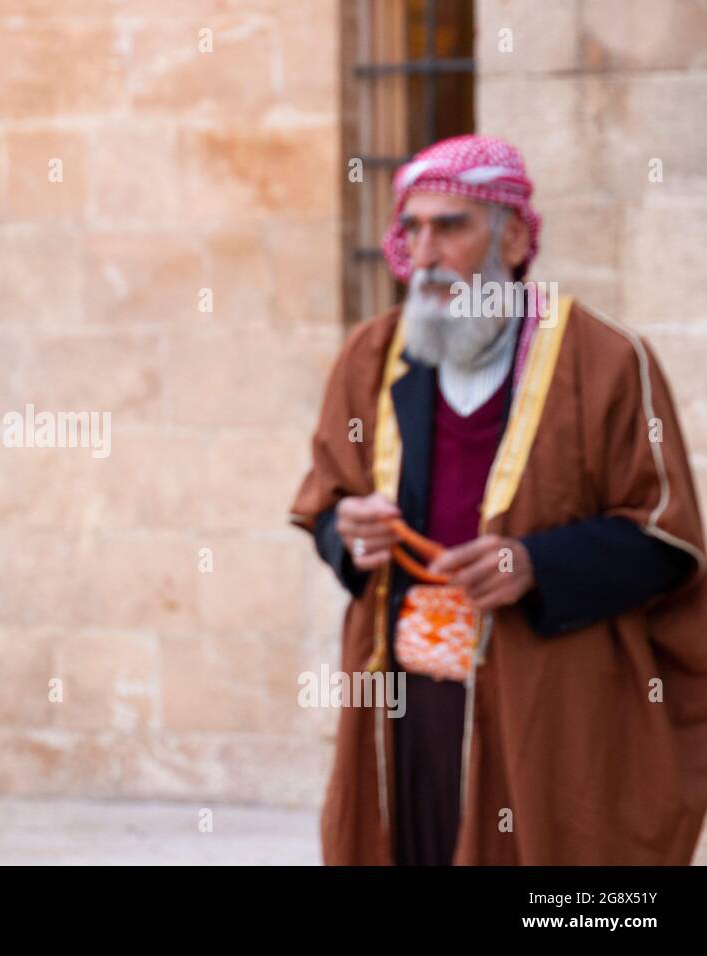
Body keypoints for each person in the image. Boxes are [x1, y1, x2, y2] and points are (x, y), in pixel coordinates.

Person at [289, 134, 707, 865]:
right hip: (404, 704)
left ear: (513, 238)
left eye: (450, 227)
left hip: (545, 705)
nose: (424, 254)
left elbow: (665, 543)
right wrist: (345, 534)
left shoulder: (605, 359)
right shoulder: (371, 355)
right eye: (412, 229)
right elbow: (328, 506)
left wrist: (534, 564)